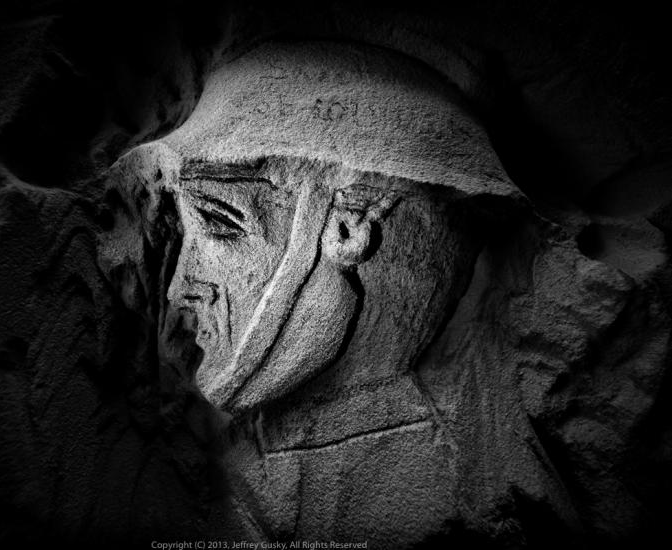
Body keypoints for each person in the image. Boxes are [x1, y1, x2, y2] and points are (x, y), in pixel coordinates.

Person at [104, 39, 579, 545]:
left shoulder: (445, 496)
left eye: (220, 224)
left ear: (348, 231)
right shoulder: (229, 480)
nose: (183, 284)